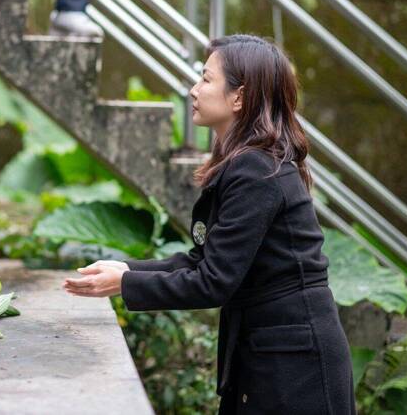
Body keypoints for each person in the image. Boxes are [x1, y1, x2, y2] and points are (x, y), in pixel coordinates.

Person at [63, 34, 356, 414]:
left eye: (205, 79)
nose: (192, 90)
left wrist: (125, 284)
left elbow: (213, 282)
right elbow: (203, 260)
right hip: (273, 350)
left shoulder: (257, 169)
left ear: (239, 97)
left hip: (295, 364)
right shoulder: (247, 161)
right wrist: (127, 269)